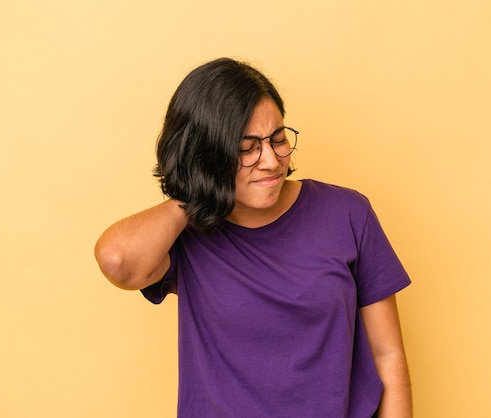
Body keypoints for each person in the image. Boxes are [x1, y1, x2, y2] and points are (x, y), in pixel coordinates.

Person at [95, 57, 412, 418]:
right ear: (208, 154)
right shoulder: (188, 236)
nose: (271, 161)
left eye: (278, 139)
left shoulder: (347, 213)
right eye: (247, 148)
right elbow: (117, 260)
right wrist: (198, 190)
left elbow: (388, 355)